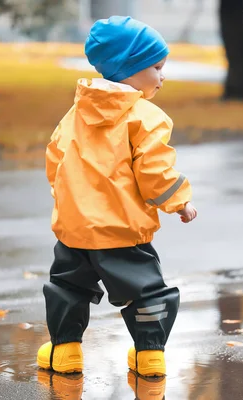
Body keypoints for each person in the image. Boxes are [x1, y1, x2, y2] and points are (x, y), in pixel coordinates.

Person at [36, 15, 198, 378]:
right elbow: (155, 172)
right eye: (156, 67)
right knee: (146, 292)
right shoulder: (145, 117)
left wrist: (65, 198)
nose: (162, 76)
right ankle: (149, 355)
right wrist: (179, 201)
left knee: (67, 286)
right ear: (130, 68)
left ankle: (65, 351)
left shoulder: (76, 112)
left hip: (74, 230)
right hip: (121, 232)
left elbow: (56, 157)